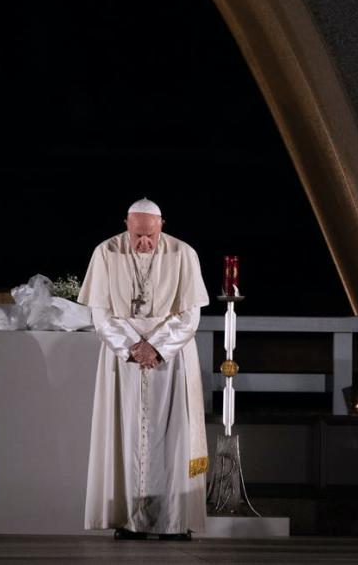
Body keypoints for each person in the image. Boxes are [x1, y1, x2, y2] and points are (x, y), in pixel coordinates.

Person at [78, 198, 209, 540]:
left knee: (175, 437)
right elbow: (100, 315)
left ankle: (174, 522)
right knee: (125, 435)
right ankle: (130, 520)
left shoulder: (184, 254)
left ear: (162, 225)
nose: (144, 243)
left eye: (150, 235)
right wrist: (133, 348)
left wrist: (157, 347)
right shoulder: (105, 253)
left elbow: (190, 316)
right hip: (124, 360)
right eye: (137, 236)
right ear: (126, 225)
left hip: (171, 357)